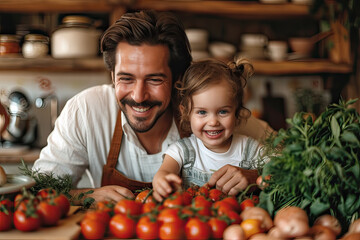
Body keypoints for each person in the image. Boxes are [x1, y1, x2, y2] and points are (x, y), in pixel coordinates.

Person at [32, 10, 272, 204]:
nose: (138, 96)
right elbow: (39, 189)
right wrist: (86, 196)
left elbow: (294, 163)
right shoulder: (85, 111)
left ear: (177, 77)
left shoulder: (207, 111)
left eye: (155, 79)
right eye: (126, 78)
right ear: (112, 76)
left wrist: (257, 175)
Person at [152, 58, 265, 201]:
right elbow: (165, 171)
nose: (213, 122)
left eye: (223, 112)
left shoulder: (251, 150)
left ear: (237, 113)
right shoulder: (181, 151)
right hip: (195, 222)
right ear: (186, 113)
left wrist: (257, 177)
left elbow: (280, 173)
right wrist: (162, 180)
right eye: (202, 112)